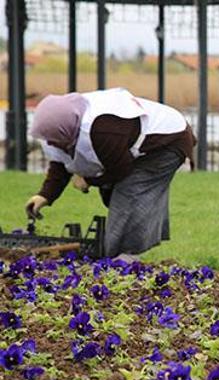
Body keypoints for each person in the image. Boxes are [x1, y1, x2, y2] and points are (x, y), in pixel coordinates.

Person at [24, 88, 196, 262]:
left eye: (55, 139)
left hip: (167, 142)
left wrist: (88, 180)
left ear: (66, 130)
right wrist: (45, 195)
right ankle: (117, 253)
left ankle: (125, 257)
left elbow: (120, 170)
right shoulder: (63, 127)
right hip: (133, 148)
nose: (51, 143)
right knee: (114, 195)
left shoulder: (103, 128)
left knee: (129, 193)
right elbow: (61, 161)